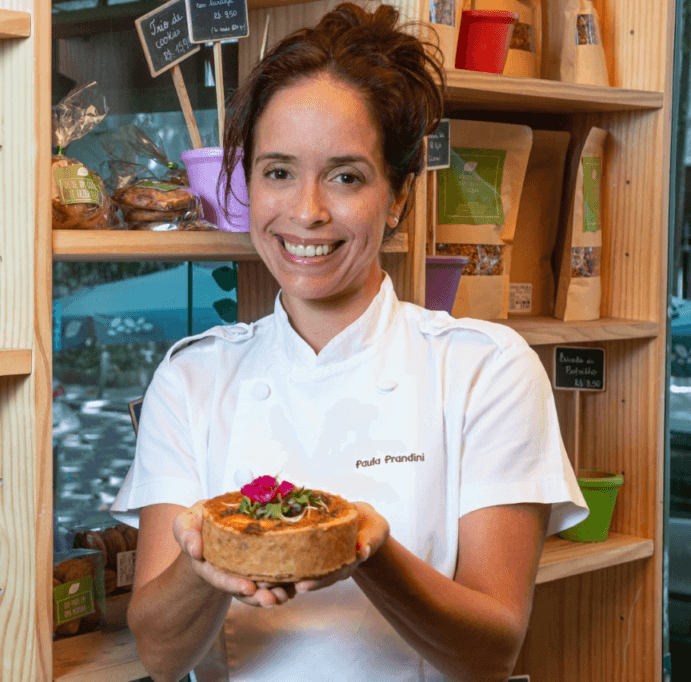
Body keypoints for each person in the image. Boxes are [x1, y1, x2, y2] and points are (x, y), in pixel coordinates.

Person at [109, 4, 589, 681]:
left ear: (396, 198)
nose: (306, 211)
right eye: (278, 171)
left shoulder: (485, 369)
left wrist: (366, 551)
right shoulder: (193, 376)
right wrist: (208, 560)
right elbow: (161, 656)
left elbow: (491, 652)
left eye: (345, 176)